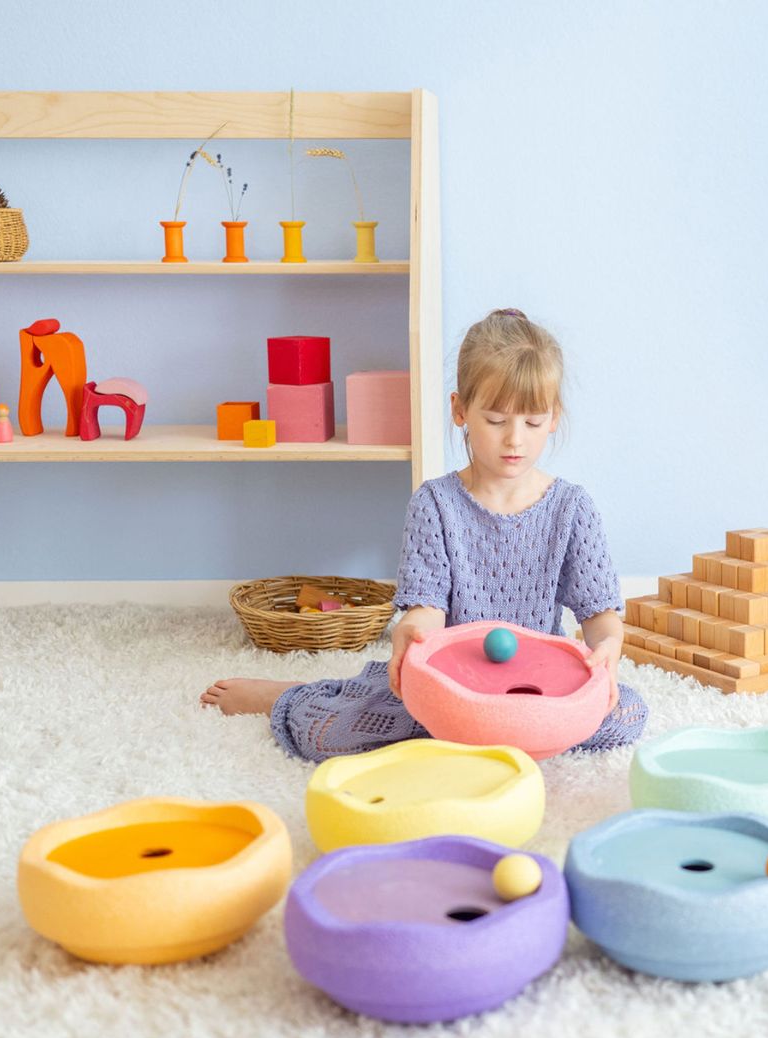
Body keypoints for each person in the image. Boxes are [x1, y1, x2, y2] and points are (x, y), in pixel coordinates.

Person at [201, 308, 648, 761]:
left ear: (553, 418)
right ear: (460, 410)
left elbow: (600, 617)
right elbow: (425, 611)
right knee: (331, 732)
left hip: (536, 689)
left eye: (533, 422)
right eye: (496, 420)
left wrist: (607, 651)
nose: (515, 439)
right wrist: (410, 635)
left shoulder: (572, 508)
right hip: (451, 685)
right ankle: (291, 695)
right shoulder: (437, 504)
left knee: (627, 712)